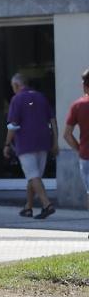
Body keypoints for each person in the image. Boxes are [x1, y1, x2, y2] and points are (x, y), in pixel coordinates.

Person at [5, 73, 58, 219]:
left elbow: (13, 125)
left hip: (26, 144)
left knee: (33, 176)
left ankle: (47, 204)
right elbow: (53, 120)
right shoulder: (41, 97)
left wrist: (7, 144)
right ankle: (28, 207)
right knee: (34, 177)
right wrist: (55, 142)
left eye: (12, 87)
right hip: (44, 142)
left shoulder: (17, 99)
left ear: (16, 85)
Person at [63, 68, 89, 213]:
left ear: (85, 85)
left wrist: (80, 149)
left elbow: (67, 135)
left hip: (86, 156)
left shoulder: (78, 106)